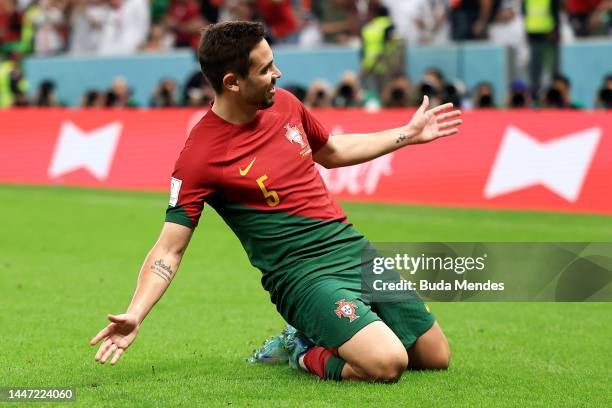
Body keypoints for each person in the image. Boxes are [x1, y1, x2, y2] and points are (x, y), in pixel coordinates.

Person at [90, 21, 462, 383]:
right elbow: (169, 250)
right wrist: (136, 313)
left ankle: (339, 333)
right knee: (387, 363)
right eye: (266, 68)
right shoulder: (200, 157)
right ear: (232, 82)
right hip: (303, 277)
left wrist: (407, 134)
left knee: (435, 358)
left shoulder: (285, 104)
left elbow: (331, 151)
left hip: (351, 249)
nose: (278, 74)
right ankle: (299, 347)